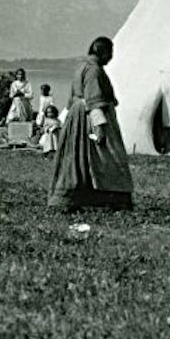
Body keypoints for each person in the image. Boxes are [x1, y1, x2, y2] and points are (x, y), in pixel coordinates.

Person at [48, 36, 134, 209]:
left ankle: (78, 197)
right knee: (107, 156)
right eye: (110, 53)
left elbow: (73, 97)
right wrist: (100, 128)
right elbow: (94, 101)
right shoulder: (94, 71)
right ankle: (110, 198)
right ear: (102, 52)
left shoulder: (81, 67)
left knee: (78, 157)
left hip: (77, 116)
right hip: (89, 118)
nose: (111, 57)